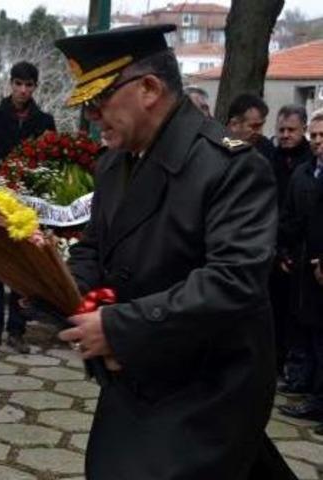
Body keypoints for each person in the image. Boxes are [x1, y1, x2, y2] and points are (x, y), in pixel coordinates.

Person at [54, 24, 295, 478]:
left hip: (208, 385)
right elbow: (95, 249)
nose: (92, 115)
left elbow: (233, 281)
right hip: (139, 371)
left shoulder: (232, 167)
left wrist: (119, 326)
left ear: (148, 88)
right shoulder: (113, 164)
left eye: (99, 100)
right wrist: (55, 286)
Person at [0, 61, 57, 353]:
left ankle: (17, 331)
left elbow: (51, 162)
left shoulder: (44, 121)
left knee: (24, 268)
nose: (23, 90)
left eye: (29, 85)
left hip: (30, 202)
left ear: (35, 87)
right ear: (10, 84)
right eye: (18, 84)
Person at [276, 113, 323, 426]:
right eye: (315, 135)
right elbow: (291, 216)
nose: (318, 141)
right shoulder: (305, 171)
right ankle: (308, 387)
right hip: (303, 264)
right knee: (307, 328)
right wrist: (281, 248)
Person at [270, 105, 314, 386]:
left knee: (298, 317)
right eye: (281, 130)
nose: (285, 136)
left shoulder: (310, 161)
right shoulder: (269, 157)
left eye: (291, 130)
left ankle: (297, 369)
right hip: (274, 246)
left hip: (304, 251)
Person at [227, 93, 277, 163]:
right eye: (254, 126)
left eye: (261, 125)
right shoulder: (216, 151)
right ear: (234, 125)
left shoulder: (267, 149)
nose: (260, 132)